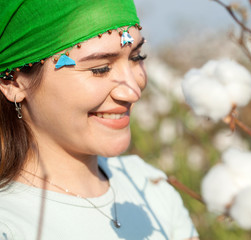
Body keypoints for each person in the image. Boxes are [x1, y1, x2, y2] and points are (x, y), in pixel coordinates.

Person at [0, 1, 199, 239]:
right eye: (100, 68)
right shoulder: (10, 225)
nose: (133, 90)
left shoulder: (147, 183)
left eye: (137, 57)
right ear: (13, 82)